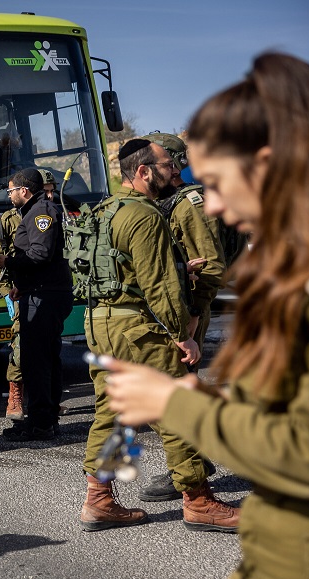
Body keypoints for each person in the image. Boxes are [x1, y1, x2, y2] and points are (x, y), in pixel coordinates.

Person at [104, 53, 309, 579]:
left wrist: (186, 404)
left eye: (218, 183)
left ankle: (174, 495)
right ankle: (179, 494)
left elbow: (306, 452)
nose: (213, 205)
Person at [78, 138, 237, 533]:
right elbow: (159, 285)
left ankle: (98, 500)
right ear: (144, 172)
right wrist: (184, 334)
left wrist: (183, 267)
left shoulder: (104, 210)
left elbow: (116, 269)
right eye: (167, 165)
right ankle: (198, 502)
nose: (175, 172)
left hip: (100, 322)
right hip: (140, 327)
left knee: (113, 411)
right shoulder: (146, 216)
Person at [138, 132, 227, 503]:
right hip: (173, 306)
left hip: (188, 309)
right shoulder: (165, 201)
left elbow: (212, 264)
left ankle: (192, 474)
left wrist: (192, 315)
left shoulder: (189, 202)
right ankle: (194, 465)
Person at [0, 169, 74, 440]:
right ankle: (45, 419)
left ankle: (40, 424)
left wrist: (9, 263)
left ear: (24, 190)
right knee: (45, 360)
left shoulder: (41, 212)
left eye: (11, 190)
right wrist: (20, 284)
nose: (10, 195)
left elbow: (40, 253)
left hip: (44, 297)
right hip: (39, 292)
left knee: (37, 363)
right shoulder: (36, 209)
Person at [0, 190, 25, 420]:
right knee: (19, 346)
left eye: (52, 192)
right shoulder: (8, 220)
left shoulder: (51, 216)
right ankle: (15, 398)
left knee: (48, 348)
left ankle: (45, 397)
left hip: (46, 293)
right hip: (20, 293)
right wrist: (7, 293)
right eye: (45, 192)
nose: (50, 197)